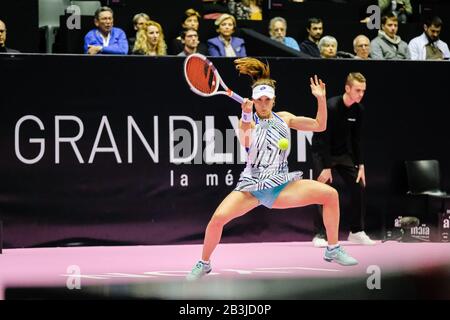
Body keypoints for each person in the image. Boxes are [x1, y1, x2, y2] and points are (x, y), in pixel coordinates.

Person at [186, 57, 358, 280]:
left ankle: (333, 248)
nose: (264, 103)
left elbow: (319, 125)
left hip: (281, 185)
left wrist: (321, 99)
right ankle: (204, 263)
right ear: (254, 101)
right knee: (217, 219)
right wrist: (246, 114)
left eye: (268, 99)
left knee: (330, 195)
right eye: (260, 100)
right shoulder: (247, 121)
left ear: (274, 100)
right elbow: (247, 141)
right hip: (251, 187)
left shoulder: (285, 119)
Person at [311, 73, 375, 248]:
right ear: (347, 88)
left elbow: (356, 140)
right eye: (357, 90)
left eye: (363, 91)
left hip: (342, 154)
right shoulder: (331, 106)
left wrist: (361, 165)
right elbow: (323, 138)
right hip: (322, 152)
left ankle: (356, 232)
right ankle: (320, 234)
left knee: (358, 186)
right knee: (323, 191)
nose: (361, 94)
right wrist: (326, 166)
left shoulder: (358, 109)